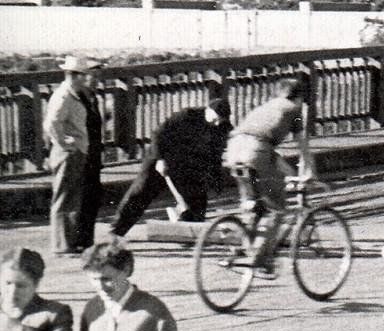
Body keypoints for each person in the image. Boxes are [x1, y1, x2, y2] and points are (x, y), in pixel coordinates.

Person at [111, 96, 232, 236]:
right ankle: (116, 233)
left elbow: (215, 156)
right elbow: (158, 134)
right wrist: (160, 159)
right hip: (161, 158)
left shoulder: (222, 127)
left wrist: (216, 181)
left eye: (221, 120)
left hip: (186, 166)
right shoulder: (187, 115)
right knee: (140, 194)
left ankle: (187, 233)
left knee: (197, 202)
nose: (217, 123)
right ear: (208, 110)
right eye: (216, 118)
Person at [222, 77, 313, 221]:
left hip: (234, 149)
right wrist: (309, 171)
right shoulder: (293, 110)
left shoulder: (267, 106)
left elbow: (270, 155)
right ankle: (266, 242)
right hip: (256, 150)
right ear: (300, 97)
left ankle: (247, 233)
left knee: (250, 202)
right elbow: (303, 146)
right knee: (276, 206)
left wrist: (290, 173)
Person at [44, 56, 104, 255]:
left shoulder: (73, 94)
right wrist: (63, 142)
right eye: (84, 74)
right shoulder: (64, 96)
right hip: (68, 152)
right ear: (75, 76)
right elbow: (51, 123)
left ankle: (68, 242)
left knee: (71, 197)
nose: (86, 78)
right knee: (64, 197)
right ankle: (61, 245)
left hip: (76, 150)